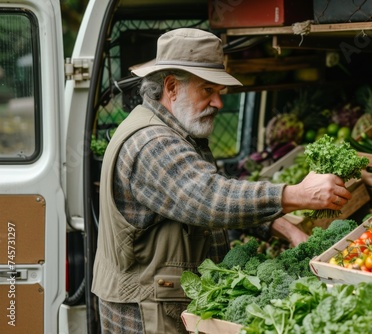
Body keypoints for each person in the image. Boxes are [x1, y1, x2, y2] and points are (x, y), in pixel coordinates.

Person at [92, 28, 352, 334]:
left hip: (164, 300)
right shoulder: (153, 143)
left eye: (220, 92)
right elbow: (208, 198)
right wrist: (295, 193)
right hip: (147, 312)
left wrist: (279, 226)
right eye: (207, 90)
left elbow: (207, 188)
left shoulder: (174, 131)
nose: (218, 103)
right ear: (171, 87)